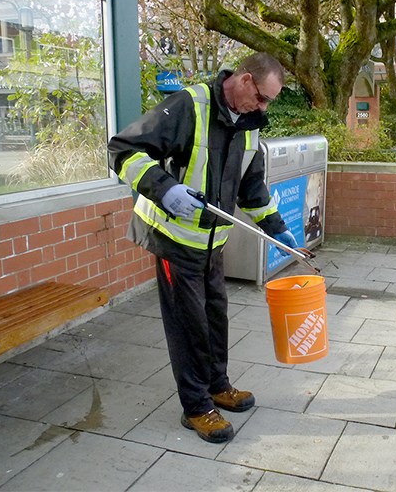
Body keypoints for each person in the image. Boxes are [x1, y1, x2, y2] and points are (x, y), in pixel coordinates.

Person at [108, 52, 297, 444]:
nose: (264, 107)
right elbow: (123, 151)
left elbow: (252, 188)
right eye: (262, 97)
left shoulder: (249, 124)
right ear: (245, 80)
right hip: (174, 238)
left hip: (212, 243)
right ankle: (196, 407)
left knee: (215, 317)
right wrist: (166, 189)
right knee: (188, 325)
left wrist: (277, 228)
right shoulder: (189, 106)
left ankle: (217, 385)